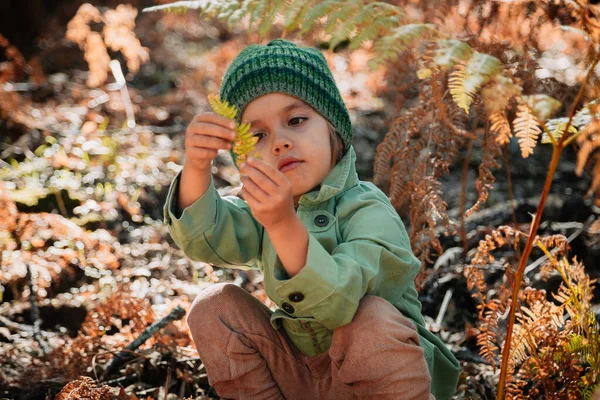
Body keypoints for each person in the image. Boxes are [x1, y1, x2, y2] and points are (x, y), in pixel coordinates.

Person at [163, 39, 460, 400]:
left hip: (381, 379)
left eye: (296, 120)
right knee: (215, 307)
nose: (279, 142)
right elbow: (204, 237)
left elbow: (340, 302)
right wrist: (196, 166)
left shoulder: (369, 211)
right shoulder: (266, 210)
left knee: (370, 321)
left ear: (333, 127)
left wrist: (283, 225)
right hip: (299, 377)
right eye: (257, 135)